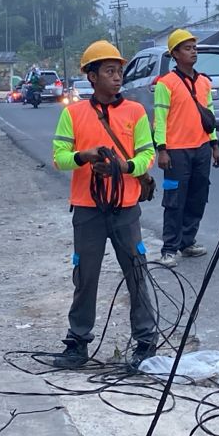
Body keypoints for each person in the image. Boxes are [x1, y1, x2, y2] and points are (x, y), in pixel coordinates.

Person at [49, 40, 160, 368]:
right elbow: (59, 159)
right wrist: (84, 157)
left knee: (137, 274)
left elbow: (147, 155)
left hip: (125, 208)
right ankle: (78, 342)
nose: (117, 77)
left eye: (118, 71)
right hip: (87, 209)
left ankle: (145, 341)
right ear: (91, 76)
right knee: (85, 277)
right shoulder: (73, 115)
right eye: (109, 71)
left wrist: (124, 167)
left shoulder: (135, 112)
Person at [153, 29, 219, 264]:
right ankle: (170, 247)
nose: (193, 51)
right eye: (187, 48)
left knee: (197, 196)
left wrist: (214, 145)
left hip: (202, 148)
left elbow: (209, 115)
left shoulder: (204, 82)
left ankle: (188, 241)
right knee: (174, 200)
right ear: (175, 54)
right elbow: (160, 118)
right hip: (176, 151)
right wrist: (161, 149)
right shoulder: (166, 84)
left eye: (194, 47)